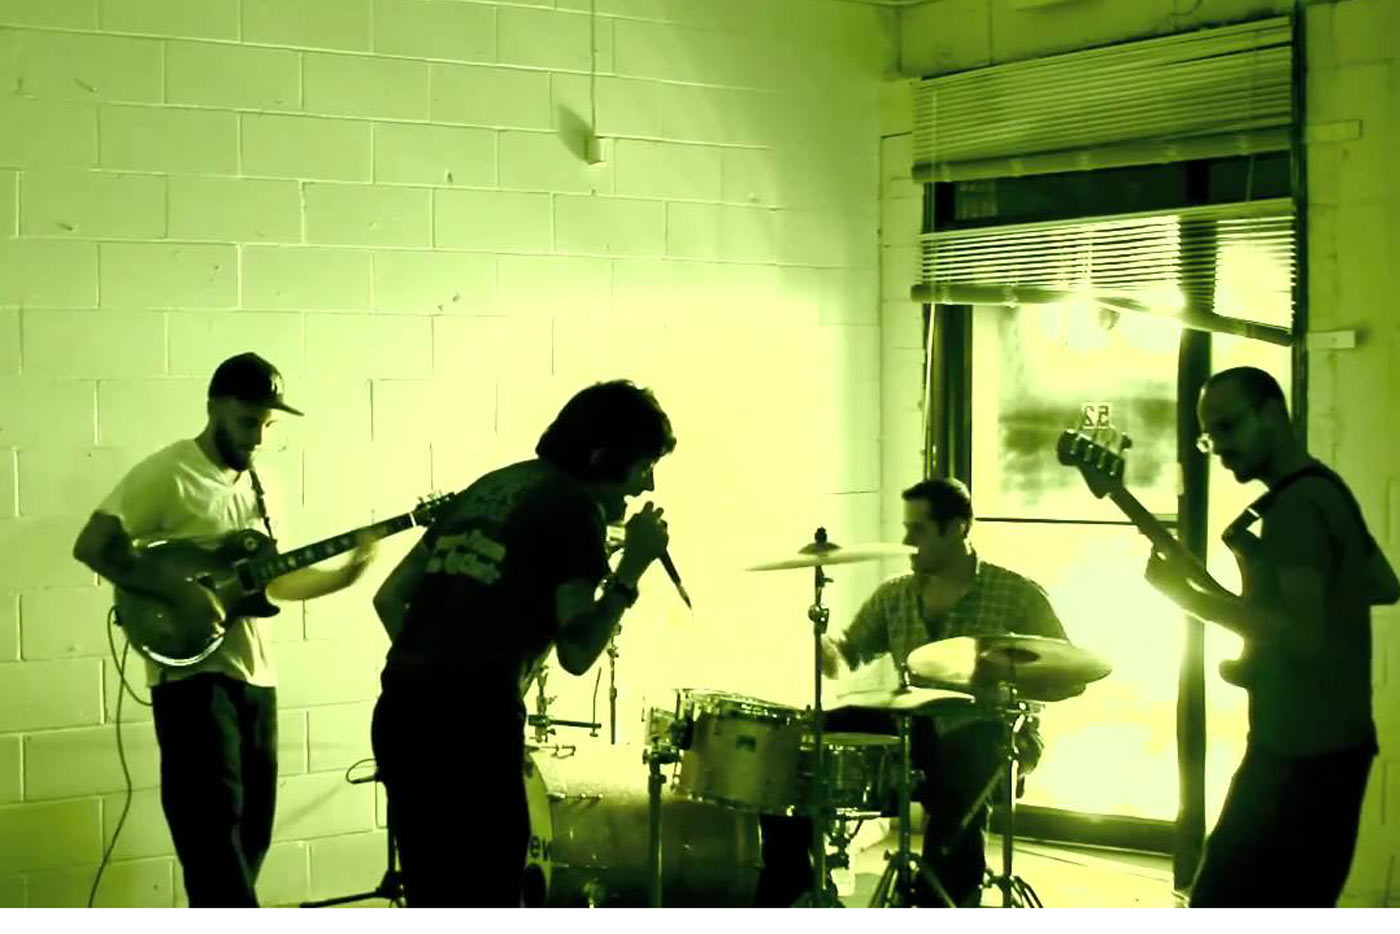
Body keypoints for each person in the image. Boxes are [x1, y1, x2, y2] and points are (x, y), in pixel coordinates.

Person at [71, 352, 377, 906]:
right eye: (247, 421)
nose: (257, 437)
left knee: (252, 831)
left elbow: (272, 581)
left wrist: (346, 575)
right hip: (192, 681)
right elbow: (93, 545)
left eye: (267, 425)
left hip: (255, 677)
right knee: (211, 832)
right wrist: (178, 592)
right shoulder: (169, 472)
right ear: (214, 408)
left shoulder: (263, 485)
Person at [370, 379, 676, 906]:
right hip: (473, 730)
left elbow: (390, 597)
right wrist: (631, 569)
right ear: (604, 458)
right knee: (489, 895)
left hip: (401, 715)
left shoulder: (492, 485)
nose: (647, 485)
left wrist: (444, 664)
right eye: (644, 466)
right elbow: (577, 653)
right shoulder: (575, 509)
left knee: (432, 896)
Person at [1145, 366, 1397, 907]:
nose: (1218, 446)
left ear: (1273, 413)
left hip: (1295, 757)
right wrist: (1276, 579)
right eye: (1209, 436)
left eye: (1228, 427)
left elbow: (1297, 635)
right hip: (1339, 749)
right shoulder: (1325, 488)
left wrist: (1186, 597)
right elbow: (1382, 585)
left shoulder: (1295, 509)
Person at [758, 477, 1069, 907]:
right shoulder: (895, 594)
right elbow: (846, 656)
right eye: (907, 528)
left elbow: (1066, 672)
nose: (906, 541)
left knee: (963, 770)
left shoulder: (1016, 594)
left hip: (990, 727)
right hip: (912, 720)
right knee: (792, 748)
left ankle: (943, 902)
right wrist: (823, 646)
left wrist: (1012, 681)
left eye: (918, 529)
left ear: (957, 528)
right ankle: (795, 891)